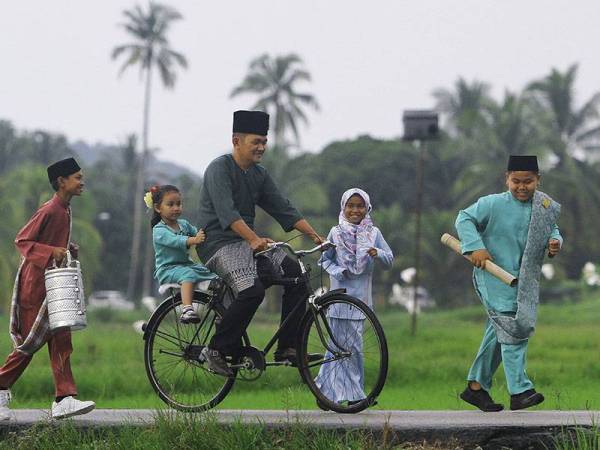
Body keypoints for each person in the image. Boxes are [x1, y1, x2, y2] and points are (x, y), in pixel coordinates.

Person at [197, 110, 324, 377]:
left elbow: (283, 208)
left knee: (296, 275)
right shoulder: (218, 169)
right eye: (256, 141)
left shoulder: (259, 175)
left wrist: (315, 236)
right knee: (252, 292)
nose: (261, 147)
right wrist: (254, 239)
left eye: (264, 142)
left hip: (249, 244)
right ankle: (216, 350)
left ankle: (288, 347)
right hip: (219, 245)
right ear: (236, 141)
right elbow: (228, 213)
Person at [455, 155, 562, 412]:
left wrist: (555, 242)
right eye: (516, 181)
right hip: (494, 275)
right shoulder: (491, 204)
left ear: (538, 180)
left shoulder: (543, 206)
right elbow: (463, 218)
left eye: (528, 181)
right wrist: (476, 247)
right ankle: (520, 390)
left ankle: (476, 388)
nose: (522, 186)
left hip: (522, 279)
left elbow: (552, 229)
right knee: (514, 327)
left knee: (500, 329)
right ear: (507, 179)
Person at [0, 158, 95, 420]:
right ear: (61, 181)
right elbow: (22, 240)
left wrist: (66, 249)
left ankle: (64, 398)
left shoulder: (65, 209)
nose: (81, 181)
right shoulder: (50, 210)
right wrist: (50, 251)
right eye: (77, 177)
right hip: (36, 287)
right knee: (29, 345)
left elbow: (54, 244)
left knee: (61, 340)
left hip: (54, 285)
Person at [316, 188, 393, 409]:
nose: (355, 210)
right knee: (337, 347)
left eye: (360, 206)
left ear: (367, 208)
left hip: (361, 302)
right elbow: (324, 261)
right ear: (343, 207)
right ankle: (354, 396)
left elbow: (390, 259)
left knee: (353, 348)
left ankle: (325, 393)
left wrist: (377, 253)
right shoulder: (336, 232)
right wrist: (338, 271)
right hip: (338, 299)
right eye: (350, 206)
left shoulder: (374, 233)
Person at [147, 184, 217, 323]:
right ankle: (187, 309)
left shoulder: (183, 224)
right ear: (158, 208)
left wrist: (205, 233)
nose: (176, 208)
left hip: (186, 265)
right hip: (168, 269)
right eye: (170, 204)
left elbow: (197, 232)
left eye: (178, 204)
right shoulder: (159, 230)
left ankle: (217, 305)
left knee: (214, 274)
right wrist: (194, 240)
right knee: (188, 275)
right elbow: (175, 241)